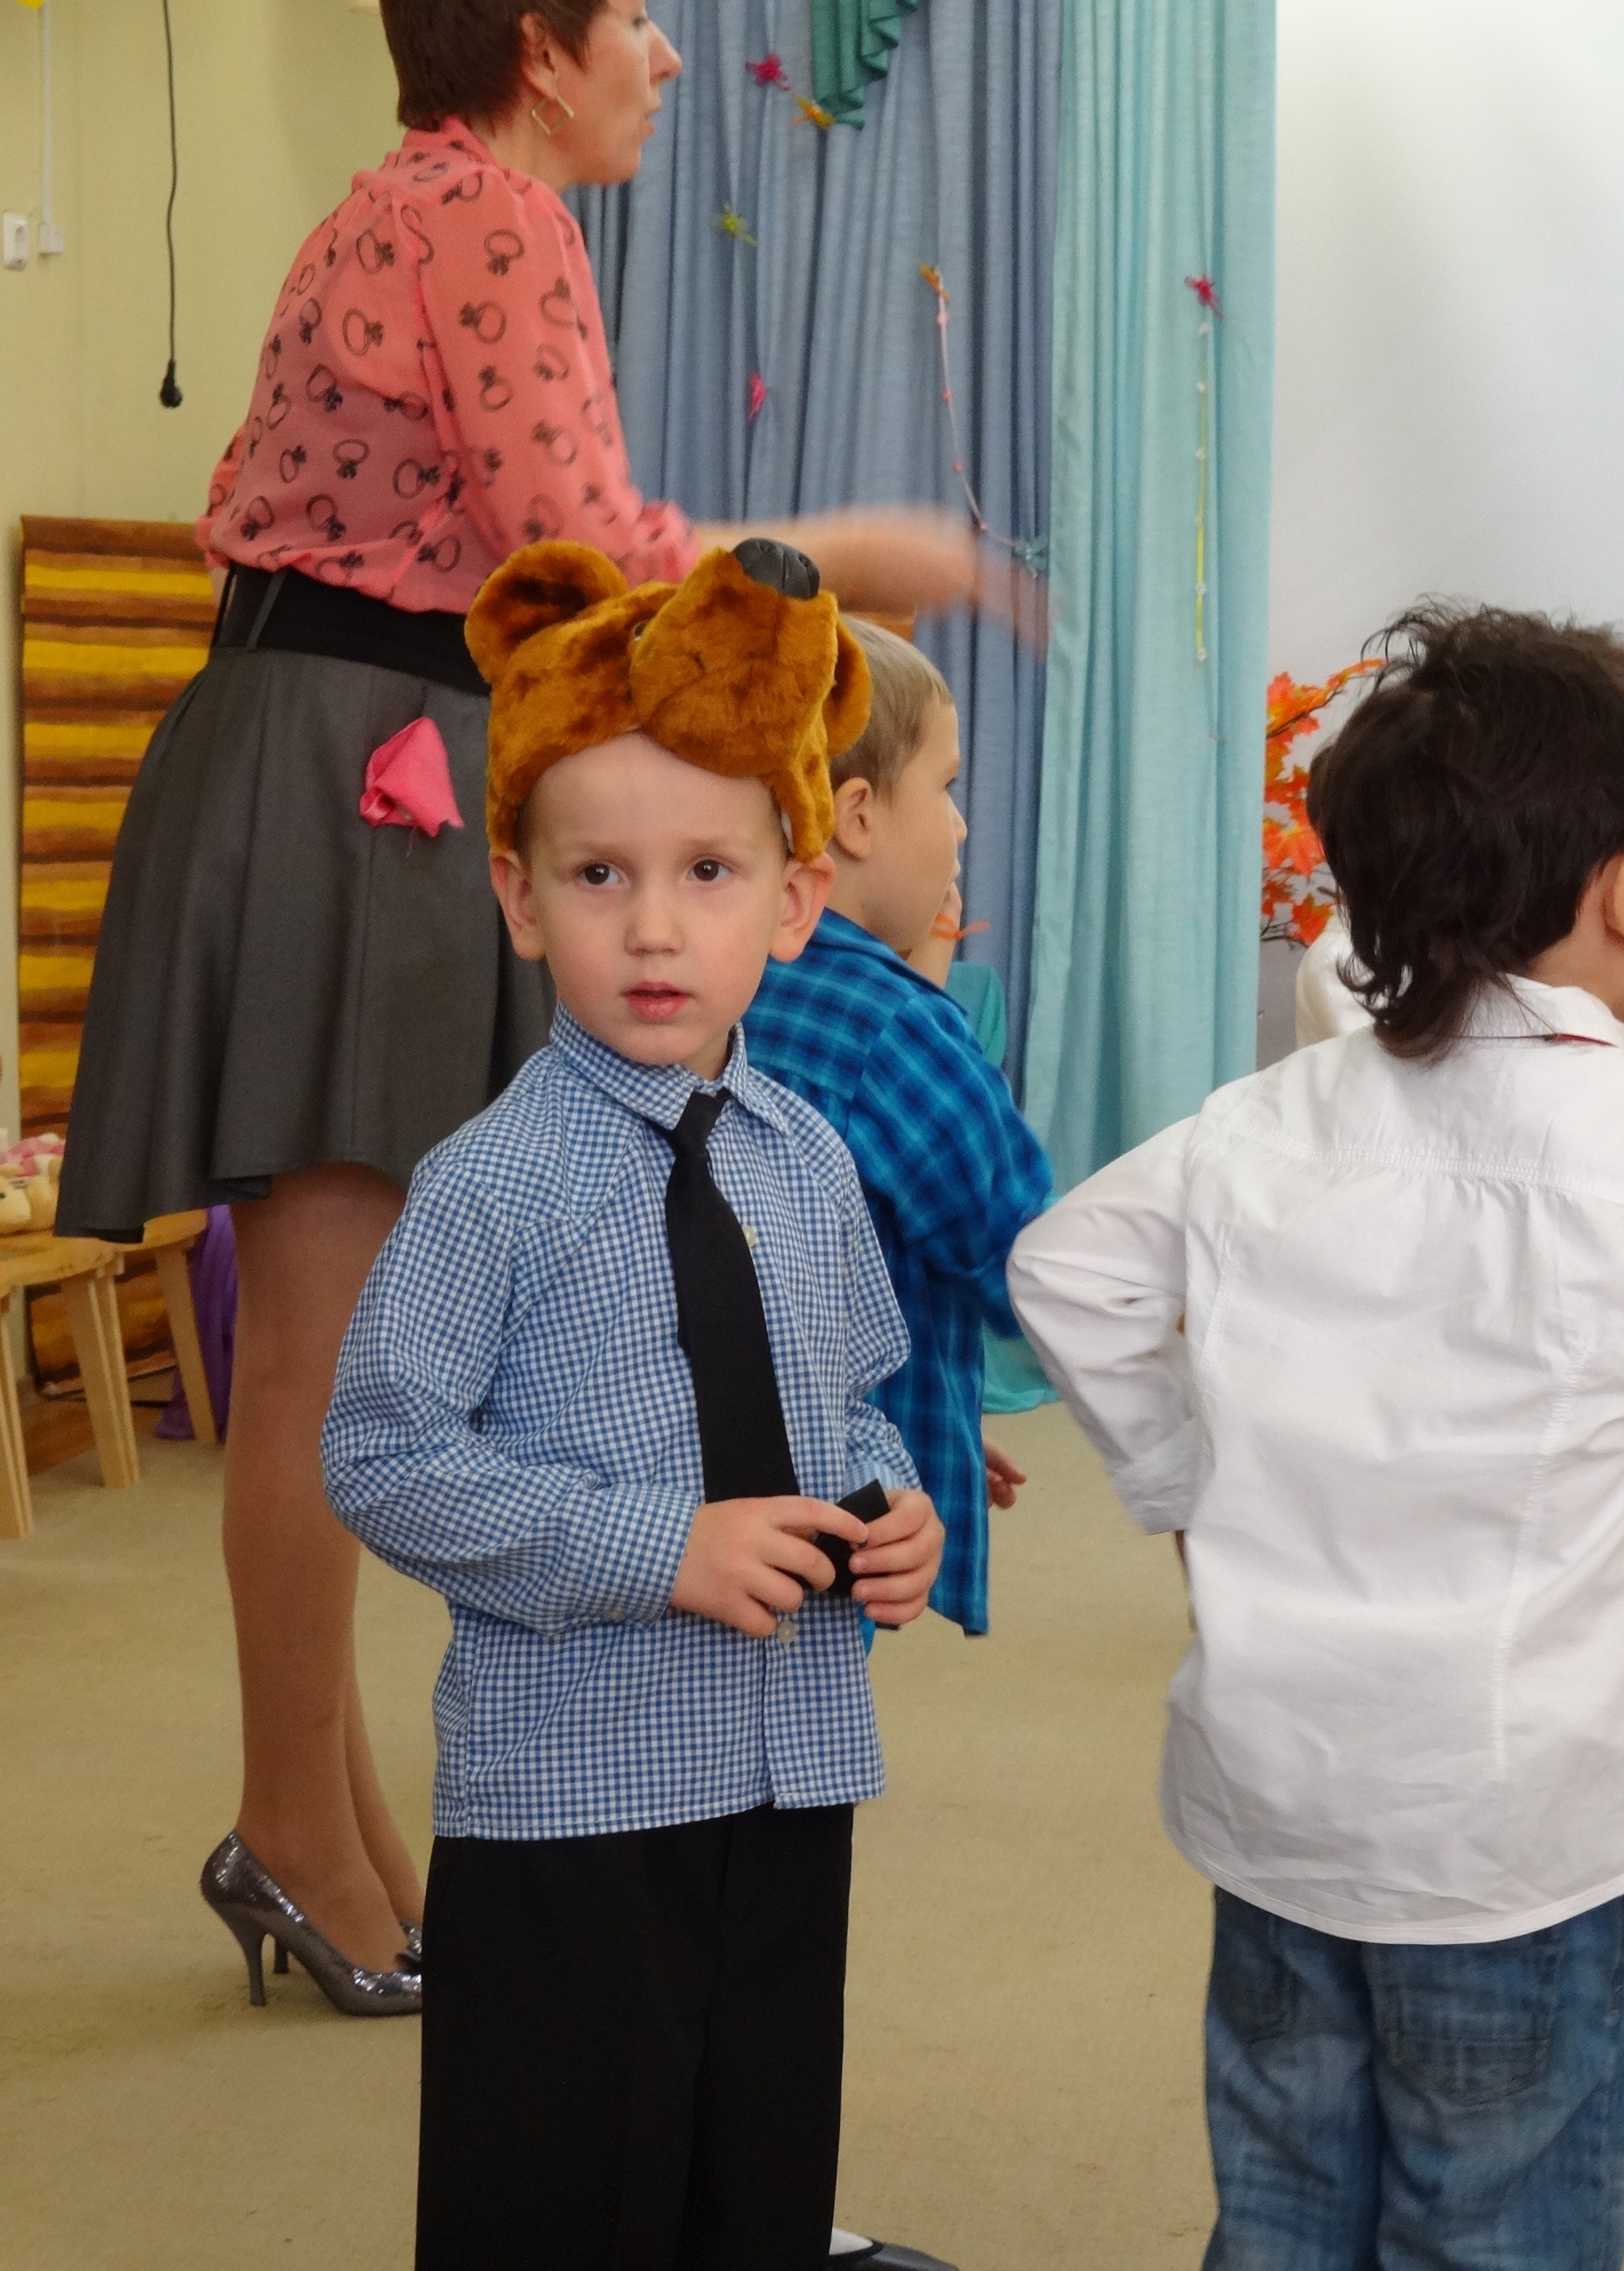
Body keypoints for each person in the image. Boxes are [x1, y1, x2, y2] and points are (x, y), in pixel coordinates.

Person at [58, 0, 995, 2010]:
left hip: (344, 749)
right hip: (354, 771)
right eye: (636, 16)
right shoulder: (489, 212)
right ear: (541, 47)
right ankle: (297, 1836)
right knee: (320, 1358)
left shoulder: (421, 200)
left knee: (326, 1345)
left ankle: (330, 1836)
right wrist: (837, 555)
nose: (665, 52)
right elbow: (585, 560)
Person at [1010, 605, 1624, 2270]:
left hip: (1277, 1803)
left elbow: (1065, 1268)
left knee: (1284, 2203)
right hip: (1510, 1838)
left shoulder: (1270, 1115)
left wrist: (1178, 1482)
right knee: (1498, 2224)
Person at [321, 534, 943, 2267]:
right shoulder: (491, 1186)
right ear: (519, 897)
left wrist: (889, 1506)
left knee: (756, 2169)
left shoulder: (808, 1159)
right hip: (575, 1800)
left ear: (794, 903)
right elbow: (378, 1456)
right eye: (598, 874)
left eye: (708, 873)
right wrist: (654, 1546)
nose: (654, 926)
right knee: (563, 2191)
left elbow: (847, 1404)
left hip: (791, 1774)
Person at [744, 620, 1052, 1642]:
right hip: (837, 1495)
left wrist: (944, 1418)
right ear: (860, 816)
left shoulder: (728, 984)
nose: (959, 827)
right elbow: (1023, 1253)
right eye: (946, 787)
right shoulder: (899, 1032)